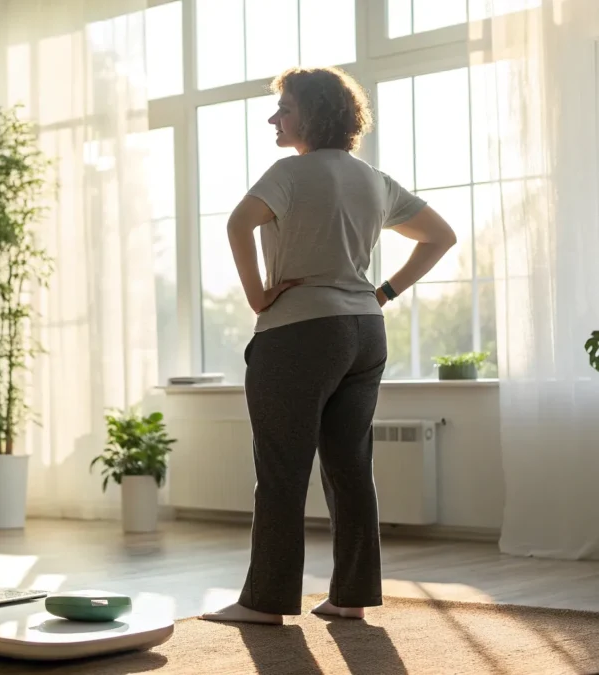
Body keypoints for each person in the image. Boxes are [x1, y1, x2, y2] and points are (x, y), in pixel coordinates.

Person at [200, 66, 457, 625]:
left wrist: (257, 296)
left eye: (284, 108)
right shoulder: (373, 179)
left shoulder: (288, 174)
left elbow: (238, 224)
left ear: (313, 114)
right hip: (365, 331)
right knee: (350, 467)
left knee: (282, 471)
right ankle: (351, 597)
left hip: (298, 333)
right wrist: (384, 292)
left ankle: (264, 602)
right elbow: (441, 236)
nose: (274, 118)